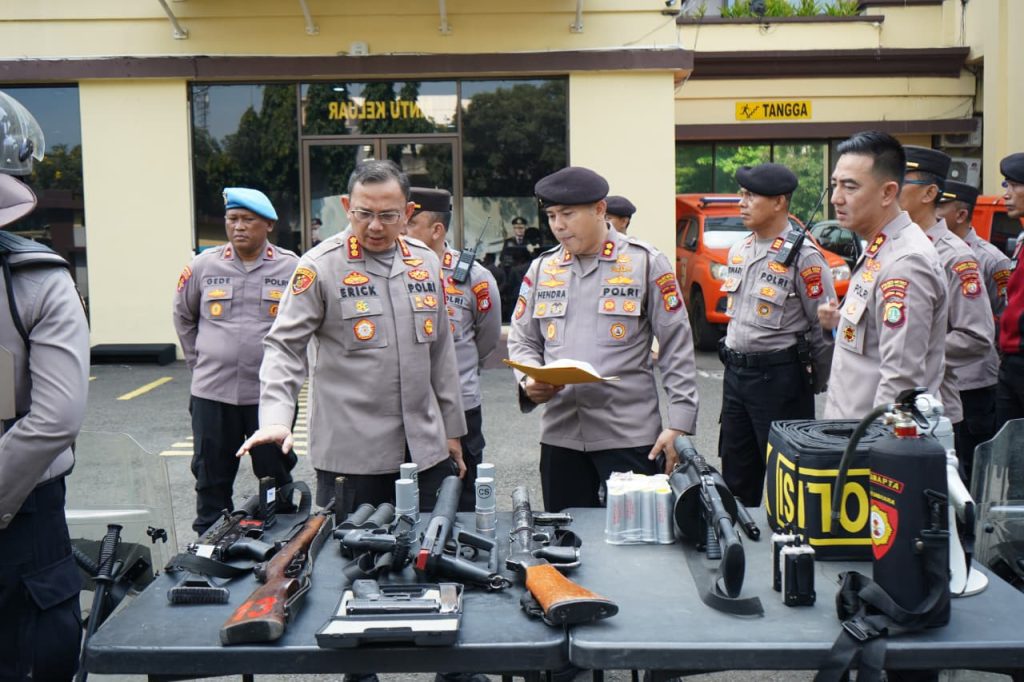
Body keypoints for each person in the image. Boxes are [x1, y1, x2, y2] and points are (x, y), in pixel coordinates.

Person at [238, 160, 466, 515]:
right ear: (347, 207)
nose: (375, 226)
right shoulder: (320, 266)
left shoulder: (425, 262)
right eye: (364, 213)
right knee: (347, 563)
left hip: (424, 452)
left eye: (388, 215)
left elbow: (441, 354)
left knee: (429, 554)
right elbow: (284, 348)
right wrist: (275, 421)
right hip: (352, 460)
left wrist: (452, 430)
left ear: (407, 212)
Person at [507, 166, 699, 512]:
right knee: (565, 545)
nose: (558, 225)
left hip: (629, 435)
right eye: (551, 215)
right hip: (560, 435)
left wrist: (679, 425)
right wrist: (529, 379)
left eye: (567, 214)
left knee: (634, 549)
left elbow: (676, 347)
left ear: (599, 209)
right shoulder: (542, 268)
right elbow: (522, 340)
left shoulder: (645, 262)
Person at [0, 91, 89, 681]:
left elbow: (54, 417)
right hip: (22, 511)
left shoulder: (33, 279)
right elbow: (54, 417)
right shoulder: (37, 278)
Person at [173, 187, 300, 534]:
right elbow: (184, 316)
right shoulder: (203, 265)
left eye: (248, 220)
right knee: (210, 474)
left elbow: (305, 324)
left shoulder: (292, 268)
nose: (239, 227)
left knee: (274, 472)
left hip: (268, 395)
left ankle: (282, 538)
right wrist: (199, 364)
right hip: (212, 392)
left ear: (268, 225)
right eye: (233, 219)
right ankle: (210, 544)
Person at [718, 163, 835, 506]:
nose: (741, 202)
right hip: (736, 376)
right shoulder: (739, 250)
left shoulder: (806, 256)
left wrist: (812, 382)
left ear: (779, 202)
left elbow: (823, 328)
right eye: (741, 194)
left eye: (750, 195)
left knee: (788, 476)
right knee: (737, 472)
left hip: (779, 380)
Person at [818, 132, 947, 419]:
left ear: (888, 192)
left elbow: (900, 383)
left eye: (850, 187)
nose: (837, 198)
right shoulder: (880, 248)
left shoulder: (906, 263)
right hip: (851, 434)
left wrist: (875, 456)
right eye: (835, 185)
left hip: (870, 448)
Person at [404, 187, 502, 511]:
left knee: (461, 500)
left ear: (436, 229)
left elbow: (486, 342)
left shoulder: (474, 278)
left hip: (460, 408)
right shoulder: (393, 273)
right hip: (406, 408)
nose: (400, 230)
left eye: (410, 223)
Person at [897, 146, 994, 439]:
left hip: (933, 409)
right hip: (895, 404)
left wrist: (911, 348)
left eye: (901, 180)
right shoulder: (892, 246)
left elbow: (977, 336)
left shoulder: (955, 256)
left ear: (928, 194)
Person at [936, 179, 1011, 478]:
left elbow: (1005, 319)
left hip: (974, 381)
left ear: (961, 214)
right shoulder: (930, 252)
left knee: (974, 465)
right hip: (943, 381)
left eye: (942, 205)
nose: (935, 211)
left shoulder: (990, 259)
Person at [996, 152, 1024, 428]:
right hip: (1011, 360)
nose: (1007, 193)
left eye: (1015, 185)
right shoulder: (1021, 239)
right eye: (1007, 185)